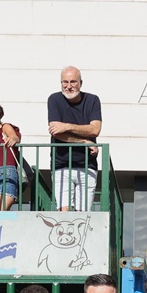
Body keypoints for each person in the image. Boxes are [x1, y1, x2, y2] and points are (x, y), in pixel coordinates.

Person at [48, 66, 102, 212]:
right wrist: (84, 141)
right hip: (61, 165)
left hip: (87, 165)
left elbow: (95, 129)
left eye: (73, 82)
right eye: (65, 82)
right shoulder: (54, 99)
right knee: (63, 214)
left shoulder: (92, 100)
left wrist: (66, 126)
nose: (69, 86)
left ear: (80, 83)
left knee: (82, 216)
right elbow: (56, 132)